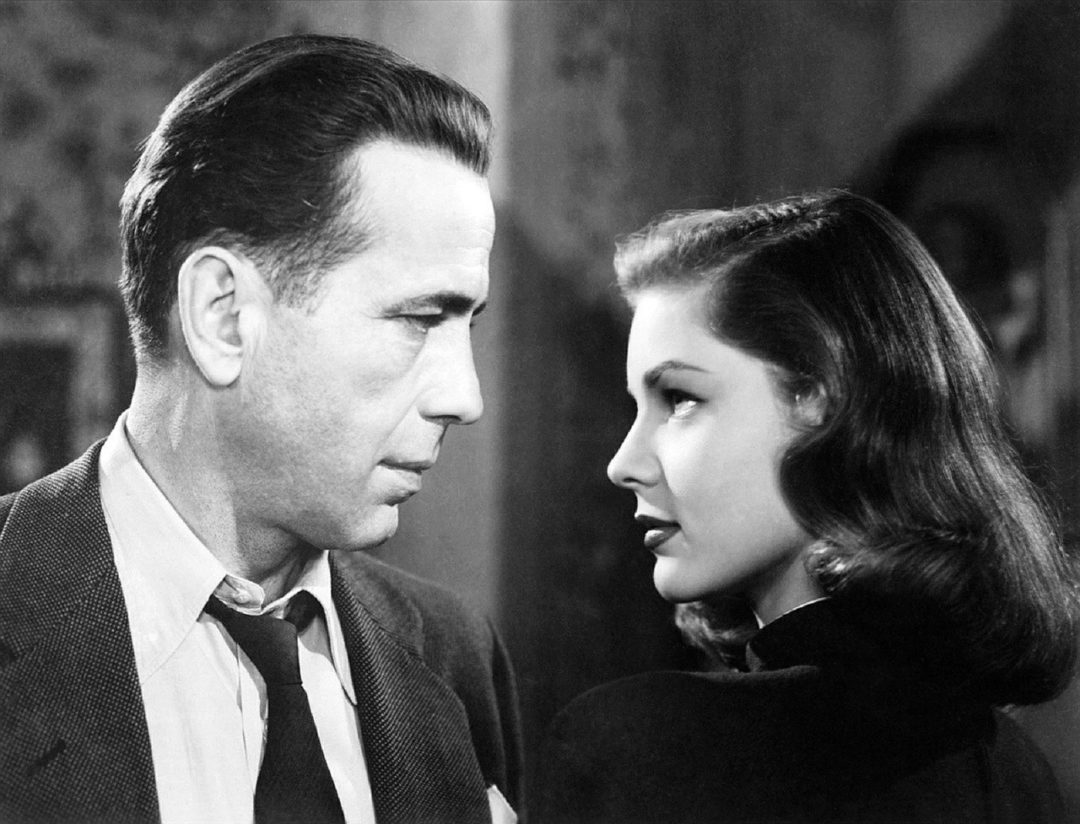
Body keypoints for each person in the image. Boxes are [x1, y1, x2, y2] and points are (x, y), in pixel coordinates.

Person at [0, 34, 521, 824]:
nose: (466, 397)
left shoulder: (456, 655)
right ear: (223, 316)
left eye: (468, 323)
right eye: (421, 318)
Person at [535, 191, 1080, 823]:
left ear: (819, 401)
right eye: (638, 407)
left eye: (680, 399)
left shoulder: (641, 751)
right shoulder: (1012, 771)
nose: (624, 462)